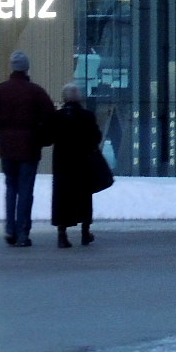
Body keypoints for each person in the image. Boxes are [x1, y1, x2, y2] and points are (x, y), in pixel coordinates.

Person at [0, 49, 55, 247]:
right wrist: (43, 139)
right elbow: (50, 118)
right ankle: (23, 231)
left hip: (7, 148)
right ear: (26, 68)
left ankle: (10, 229)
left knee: (11, 187)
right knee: (25, 189)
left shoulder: (0, 91)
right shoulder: (36, 92)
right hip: (30, 148)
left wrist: (2, 133)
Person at [49, 84, 104, 248]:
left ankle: (62, 234)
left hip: (62, 164)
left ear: (64, 98)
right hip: (83, 162)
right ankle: (85, 232)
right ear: (79, 98)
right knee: (84, 197)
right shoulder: (87, 116)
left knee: (62, 197)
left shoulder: (57, 117)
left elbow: (48, 137)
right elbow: (96, 137)